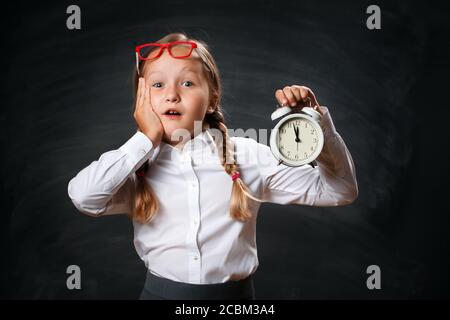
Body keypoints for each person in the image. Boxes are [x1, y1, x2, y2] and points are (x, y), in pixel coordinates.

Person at [67, 32, 358, 300]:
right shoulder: (132, 167)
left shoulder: (249, 157)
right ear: (141, 102)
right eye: (157, 85)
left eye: (187, 83)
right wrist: (143, 140)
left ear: (212, 99)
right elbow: (84, 197)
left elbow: (339, 191)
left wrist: (315, 125)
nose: (172, 95)